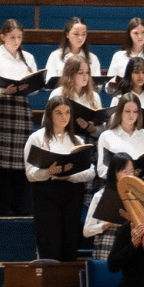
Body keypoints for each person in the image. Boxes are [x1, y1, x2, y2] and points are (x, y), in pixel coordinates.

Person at [26, 96, 94, 261]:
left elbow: (91, 172)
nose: (64, 117)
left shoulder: (77, 141)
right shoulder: (37, 138)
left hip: (72, 193)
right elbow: (30, 173)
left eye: (67, 113)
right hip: (46, 194)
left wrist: (70, 175)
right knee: (50, 240)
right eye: (58, 113)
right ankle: (49, 281)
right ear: (49, 115)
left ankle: (67, 284)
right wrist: (48, 172)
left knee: (70, 241)